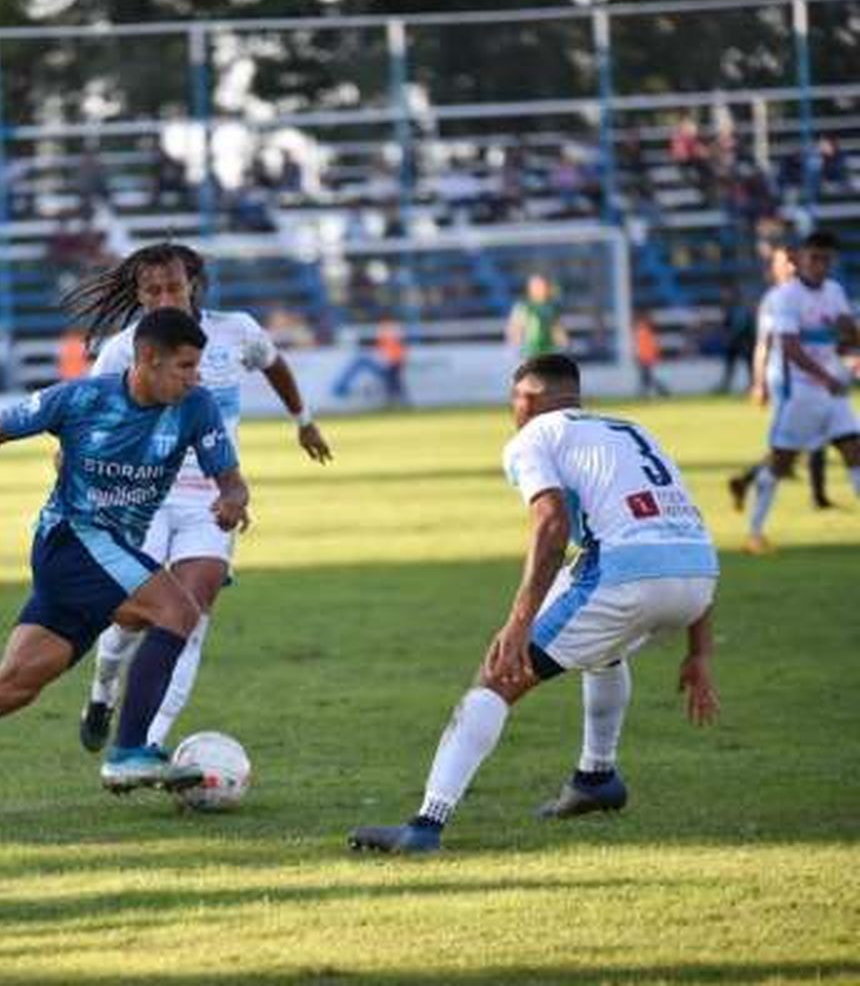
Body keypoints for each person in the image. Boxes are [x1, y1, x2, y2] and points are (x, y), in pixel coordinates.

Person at [0, 308, 248, 826]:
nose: (195, 377)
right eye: (185, 366)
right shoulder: (82, 398)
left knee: (12, 687)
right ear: (148, 359)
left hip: (108, 556)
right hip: (70, 541)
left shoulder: (196, 407)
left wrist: (233, 499)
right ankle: (129, 752)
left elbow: (231, 479)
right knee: (178, 611)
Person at [349, 354, 720, 855]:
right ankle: (596, 778)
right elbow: (685, 530)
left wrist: (518, 623)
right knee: (605, 648)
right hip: (698, 576)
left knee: (497, 678)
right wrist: (700, 652)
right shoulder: (632, 429)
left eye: (513, 402)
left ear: (526, 400)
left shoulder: (534, 435)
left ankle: (425, 826)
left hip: (623, 574)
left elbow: (550, 524)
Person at [63, 242, 332, 757]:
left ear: (192, 283)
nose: (166, 297)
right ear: (139, 296)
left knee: (191, 614)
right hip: (141, 496)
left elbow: (274, 364)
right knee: (129, 618)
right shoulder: (125, 349)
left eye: (174, 286)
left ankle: (149, 742)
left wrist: (303, 421)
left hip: (210, 498)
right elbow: (89, 413)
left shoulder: (236, 332)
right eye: (153, 290)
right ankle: (103, 690)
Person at [742, 231, 860, 554]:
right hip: (801, 391)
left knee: (854, 449)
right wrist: (826, 376)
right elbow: (790, 348)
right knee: (781, 462)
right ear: (800, 259)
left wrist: (852, 345)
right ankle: (754, 532)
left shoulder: (834, 291)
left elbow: (848, 330)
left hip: (832, 390)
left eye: (826, 259)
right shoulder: (785, 297)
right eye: (815, 258)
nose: (820, 265)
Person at [727, 247, 833, 512]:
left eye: (795, 261)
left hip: (808, 375)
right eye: (786, 262)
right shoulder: (774, 300)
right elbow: (764, 343)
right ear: (774, 268)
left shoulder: (808, 295)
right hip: (786, 379)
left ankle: (817, 496)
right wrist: (759, 381)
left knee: (808, 434)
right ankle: (749, 481)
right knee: (795, 441)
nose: (793, 267)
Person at [506, 274, 568, 360]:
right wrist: (515, 346)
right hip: (529, 351)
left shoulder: (552, 307)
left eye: (543, 285)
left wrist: (564, 344)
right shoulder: (524, 306)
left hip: (549, 350)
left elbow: (557, 328)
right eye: (537, 286)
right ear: (530, 288)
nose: (541, 289)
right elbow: (515, 328)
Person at [633, 312, 670, 398]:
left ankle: (660, 390)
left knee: (646, 377)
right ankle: (659, 391)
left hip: (645, 358)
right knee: (647, 377)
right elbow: (651, 346)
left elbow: (646, 346)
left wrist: (641, 357)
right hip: (645, 358)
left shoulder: (643, 332)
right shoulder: (645, 332)